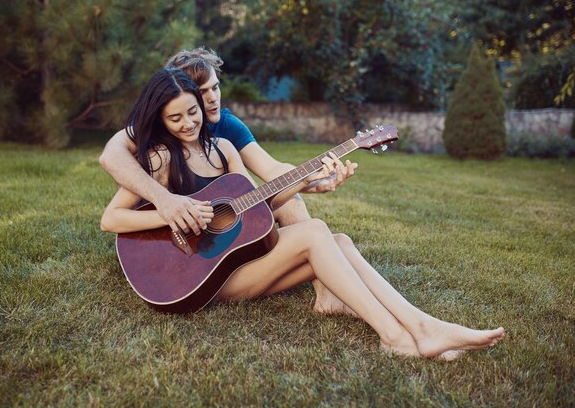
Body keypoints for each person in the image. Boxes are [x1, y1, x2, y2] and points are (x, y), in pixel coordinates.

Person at [100, 68, 506, 360]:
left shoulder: (222, 150)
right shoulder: (159, 159)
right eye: (175, 118)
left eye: (192, 112)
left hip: (234, 266)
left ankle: (422, 328)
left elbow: (255, 209)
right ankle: (395, 336)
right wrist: (172, 211)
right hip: (196, 279)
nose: (188, 123)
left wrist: (311, 181)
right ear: (159, 119)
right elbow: (112, 220)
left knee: (339, 242)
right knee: (314, 233)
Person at [99, 47, 354, 314]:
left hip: (213, 223)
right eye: (202, 91)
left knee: (293, 203)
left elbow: (273, 169)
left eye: (215, 88)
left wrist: (314, 181)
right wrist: (164, 201)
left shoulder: (227, 126)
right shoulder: (158, 128)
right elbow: (110, 157)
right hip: (161, 240)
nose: (211, 99)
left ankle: (326, 288)